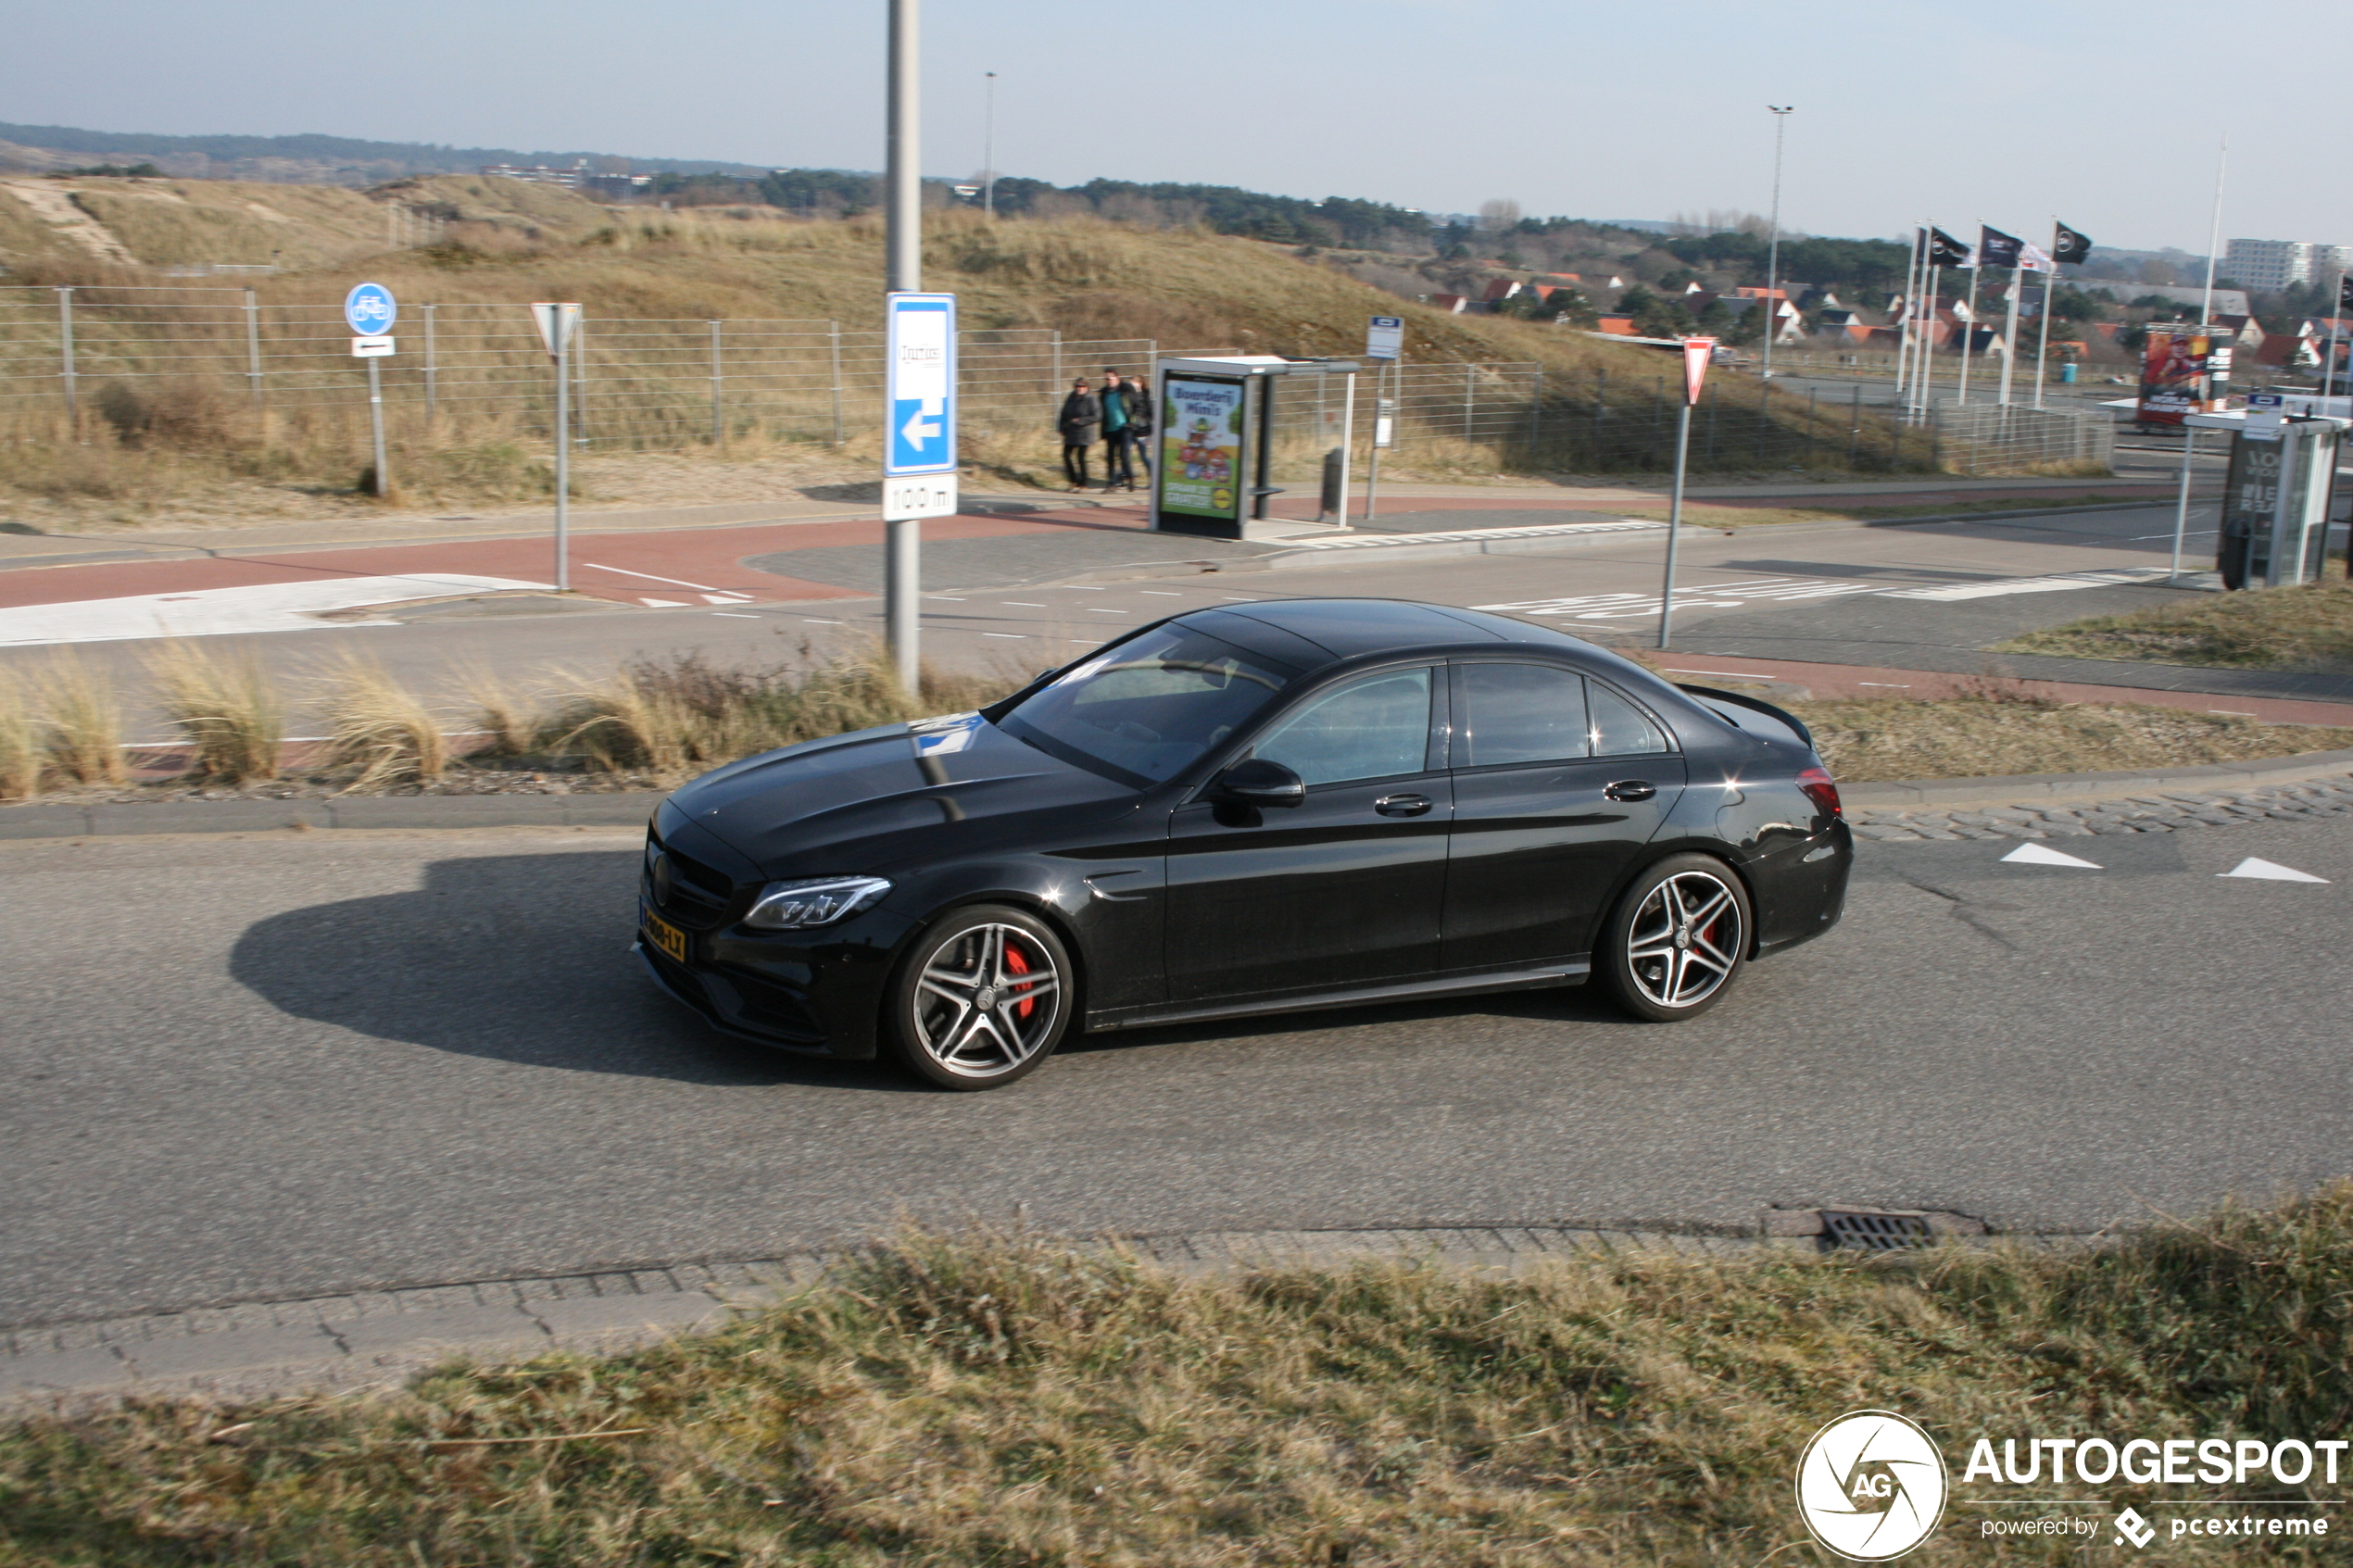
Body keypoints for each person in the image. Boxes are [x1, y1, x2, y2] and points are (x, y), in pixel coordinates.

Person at [1056, 378, 1100, 491]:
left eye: (1082, 386)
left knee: (1081, 458)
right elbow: (1063, 413)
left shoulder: (1091, 399)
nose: (1079, 389)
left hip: (1085, 432)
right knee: (1066, 455)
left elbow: (1097, 416)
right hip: (1071, 432)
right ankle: (1073, 481)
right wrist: (1061, 427)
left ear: (1087, 388)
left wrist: (1080, 420)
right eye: (1077, 386)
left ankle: (1084, 483)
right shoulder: (1071, 397)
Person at [1097, 370, 1136, 492]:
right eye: (1106, 379)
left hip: (1124, 427)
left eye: (1110, 378)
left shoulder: (1125, 391)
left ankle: (1130, 477)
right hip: (1110, 429)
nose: (1108, 381)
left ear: (1117, 378)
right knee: (1110, 457)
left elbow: (1136, 406)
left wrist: (1133, 422)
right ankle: (1112, 483)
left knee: (1123, 455)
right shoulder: (1104, 394)